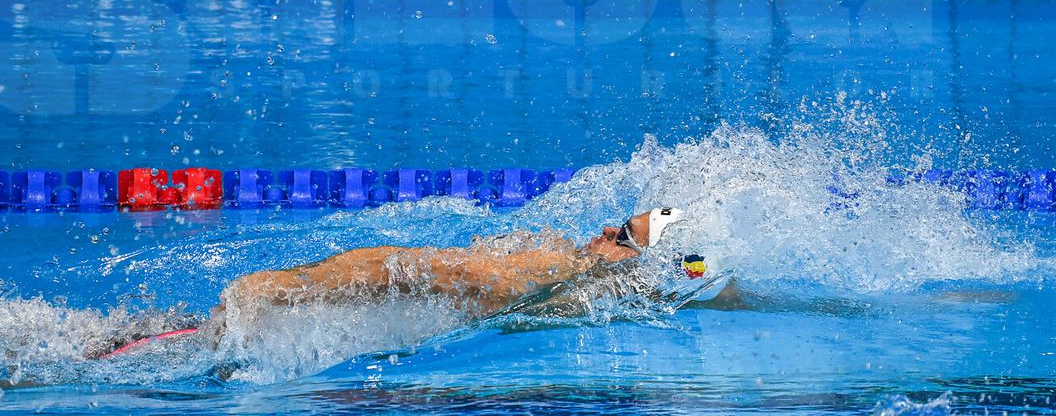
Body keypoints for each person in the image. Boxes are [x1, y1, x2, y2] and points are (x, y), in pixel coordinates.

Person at [92, 208, 691, 359]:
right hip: (424, 273)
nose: (607, 230)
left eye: (622, 236)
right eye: (615, 227)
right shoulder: (561, 266)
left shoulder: (598, 281)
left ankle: (180, 328)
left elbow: (689, 274)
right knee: (417, 273)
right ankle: (230, 311)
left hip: (438, 277)